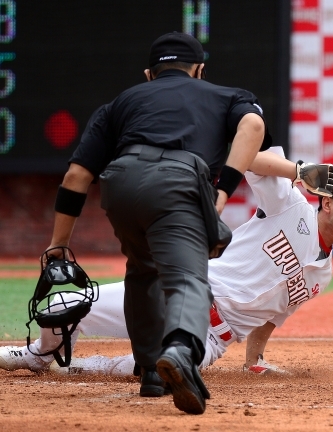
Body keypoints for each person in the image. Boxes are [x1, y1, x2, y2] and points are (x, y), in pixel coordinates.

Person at [1, 149, 333, 394]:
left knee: (149, 370)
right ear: (326, 202)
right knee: (62, 306)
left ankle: (80, 369)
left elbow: (273, 315)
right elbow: (248, 155)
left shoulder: (324, 275)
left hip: (212, 339)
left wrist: (254, 360)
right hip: (181, 292)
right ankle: (38, 354)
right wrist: (299, 171)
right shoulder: (289, 205)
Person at [37, 32, 273, 414]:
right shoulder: (226, 95)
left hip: (120, 183)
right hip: (178, 182)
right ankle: (181, 349)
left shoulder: (119, 103)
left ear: (150, 74)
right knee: (187, 278)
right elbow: (253, 128)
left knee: (143, 273)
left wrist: (57, 244)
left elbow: (76, 179)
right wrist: (223, 193)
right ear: (199, 70)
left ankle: (151, 371)